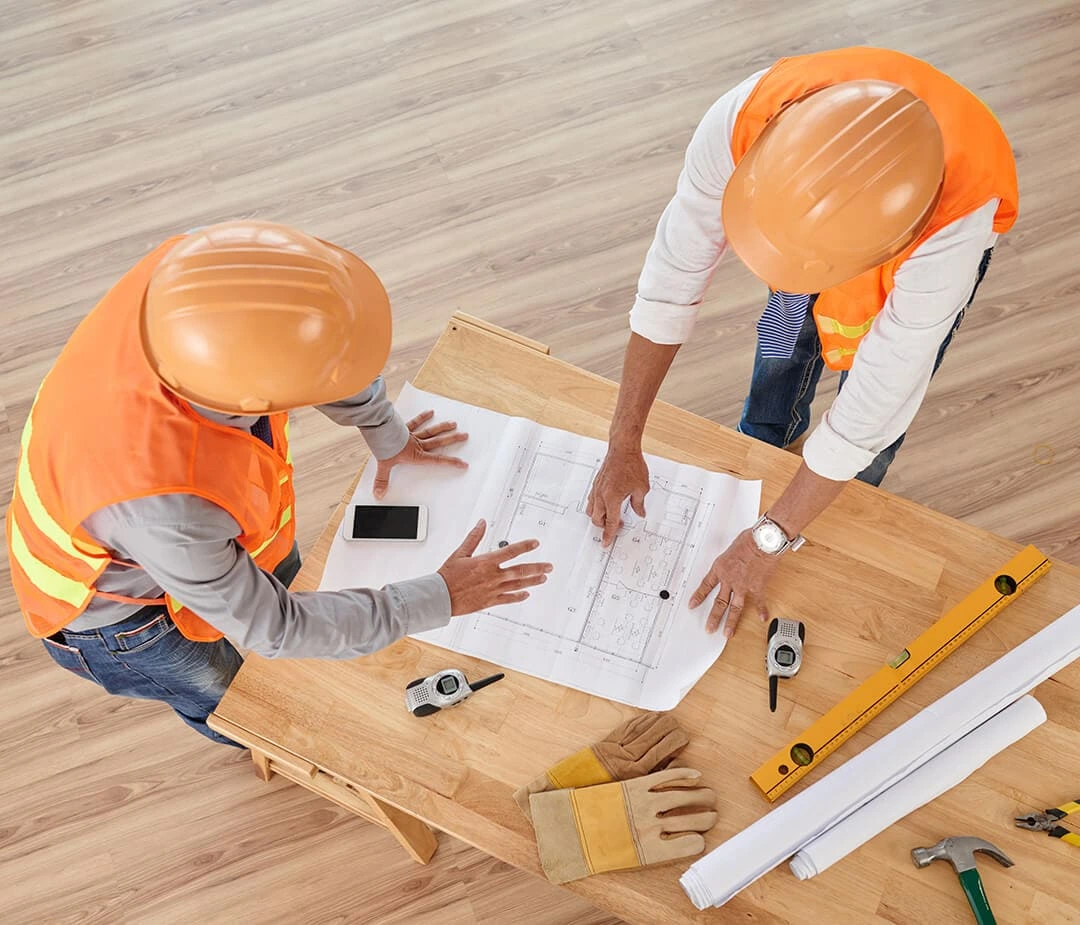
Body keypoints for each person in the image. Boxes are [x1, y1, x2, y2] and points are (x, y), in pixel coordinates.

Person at [6, 221, 552, 745]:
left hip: (140, 517)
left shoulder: (200, 278)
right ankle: (264, 744)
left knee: (276, 612)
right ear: (248, 399)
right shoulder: (165, 500)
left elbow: (307, 350)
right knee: (235, 699)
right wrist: (440, 597)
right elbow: (276, 629)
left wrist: (386, 430)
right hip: (123, 621)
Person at [586, 47, 1017, 639]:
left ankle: (842, 504)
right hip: (813, 219)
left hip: (926, 245)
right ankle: (766, 436)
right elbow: (669, 284)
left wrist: (768, 541)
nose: (791, 283)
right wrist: (623, 439)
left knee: (869, 435)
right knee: (786, 334)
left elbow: (870, 412)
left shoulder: (948, 239)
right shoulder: (744, 120)